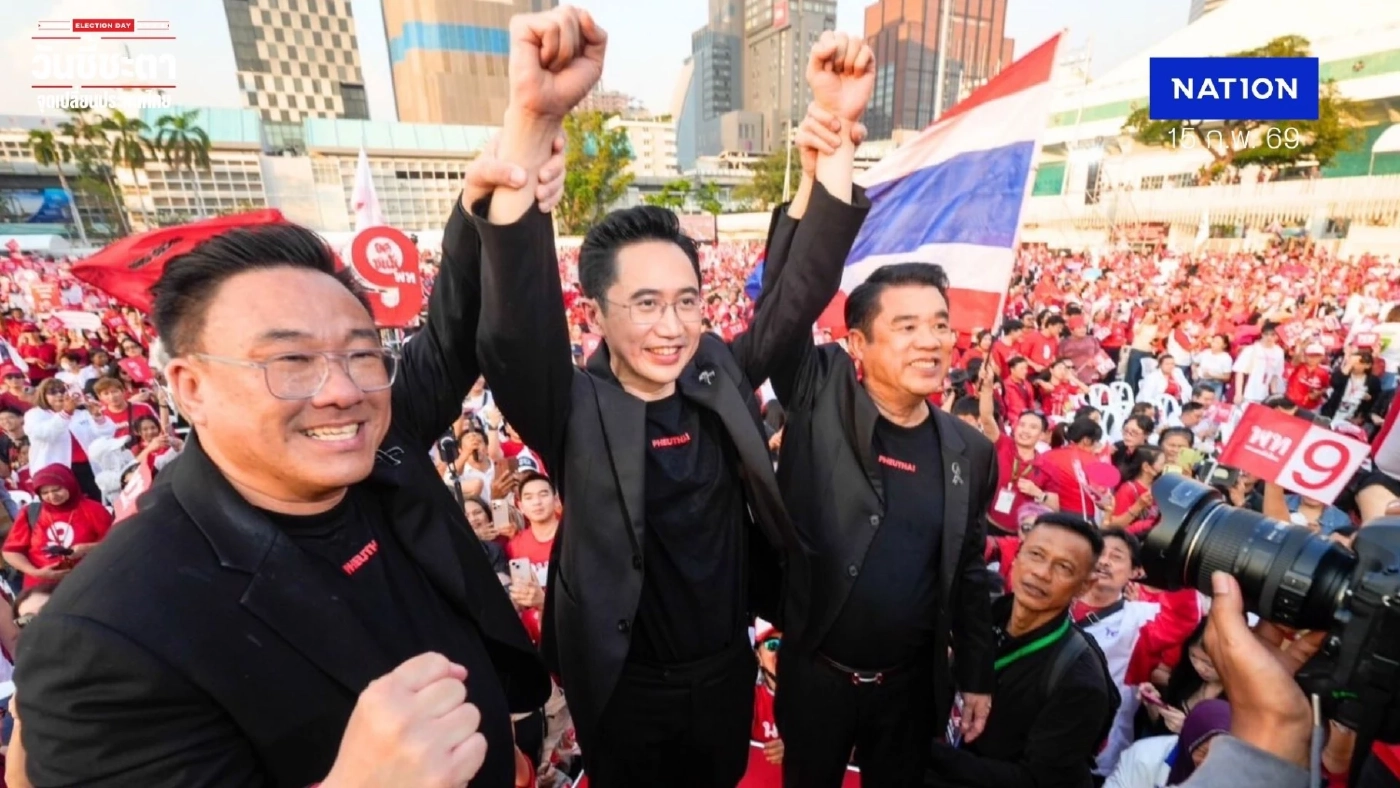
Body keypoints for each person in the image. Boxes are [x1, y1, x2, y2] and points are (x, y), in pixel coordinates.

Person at [11, 114, 569, 786]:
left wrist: (504, 167)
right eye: (291, 361)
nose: (340, 390)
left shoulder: (375, 447)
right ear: (190, 387)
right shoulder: (107, 636)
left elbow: (450, 333)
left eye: (361, 354)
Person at [473, 12, 873, 785]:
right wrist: (532, 118)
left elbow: (796, 298)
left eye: (687, 302)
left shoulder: (717, 372)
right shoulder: (572, 407)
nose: (673, 327)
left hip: (724, 668)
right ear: (597, 314)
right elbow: (517, 327)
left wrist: (839, 136)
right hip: (624, 683)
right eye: (646, 304)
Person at [765, 260, 997, 788]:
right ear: (856, 343)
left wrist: (978, 677)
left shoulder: (972, 452)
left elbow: (967, 572)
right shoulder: (817, 400)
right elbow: (785, 302)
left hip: (909, 690)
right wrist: (816, 189)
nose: (931, 341)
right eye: (906, 326)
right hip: (816, 680)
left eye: (940, 324)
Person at [926, 513, 1117, 788]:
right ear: (1017, 557)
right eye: (1036, 554)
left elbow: (1033, 781)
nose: (1041, 573)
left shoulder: (1079, 682)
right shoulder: (977, 622)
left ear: (1084, 586)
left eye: (1063, 567)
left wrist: (925, 751)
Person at [0, 464, 112, 591]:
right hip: (41, 588)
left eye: (57, 489)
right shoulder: (30, 513)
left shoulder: (93, 509)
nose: (52, 496)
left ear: (69, 484)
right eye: (45, 492)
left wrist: (87, 548)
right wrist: (36, 572)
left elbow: (116, 543)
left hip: (87, 584)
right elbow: (10, 551)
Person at [22, 378, 112, 501]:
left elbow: (106, 434)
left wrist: (97, 416)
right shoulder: (35, 415)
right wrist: (65, 413)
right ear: (43, 396)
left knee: (98, 501)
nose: (59, 395)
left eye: (63, 391)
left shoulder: (81, 413)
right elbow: (43, 434)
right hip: (57, 471)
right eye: (53, 392)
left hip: (89, 467)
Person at [1106, 700, 1231, 788]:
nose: (1209, 762)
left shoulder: (1240, 775)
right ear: (1189, 741)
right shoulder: (1144, 757)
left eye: (1220, 754)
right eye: (1203, 752)